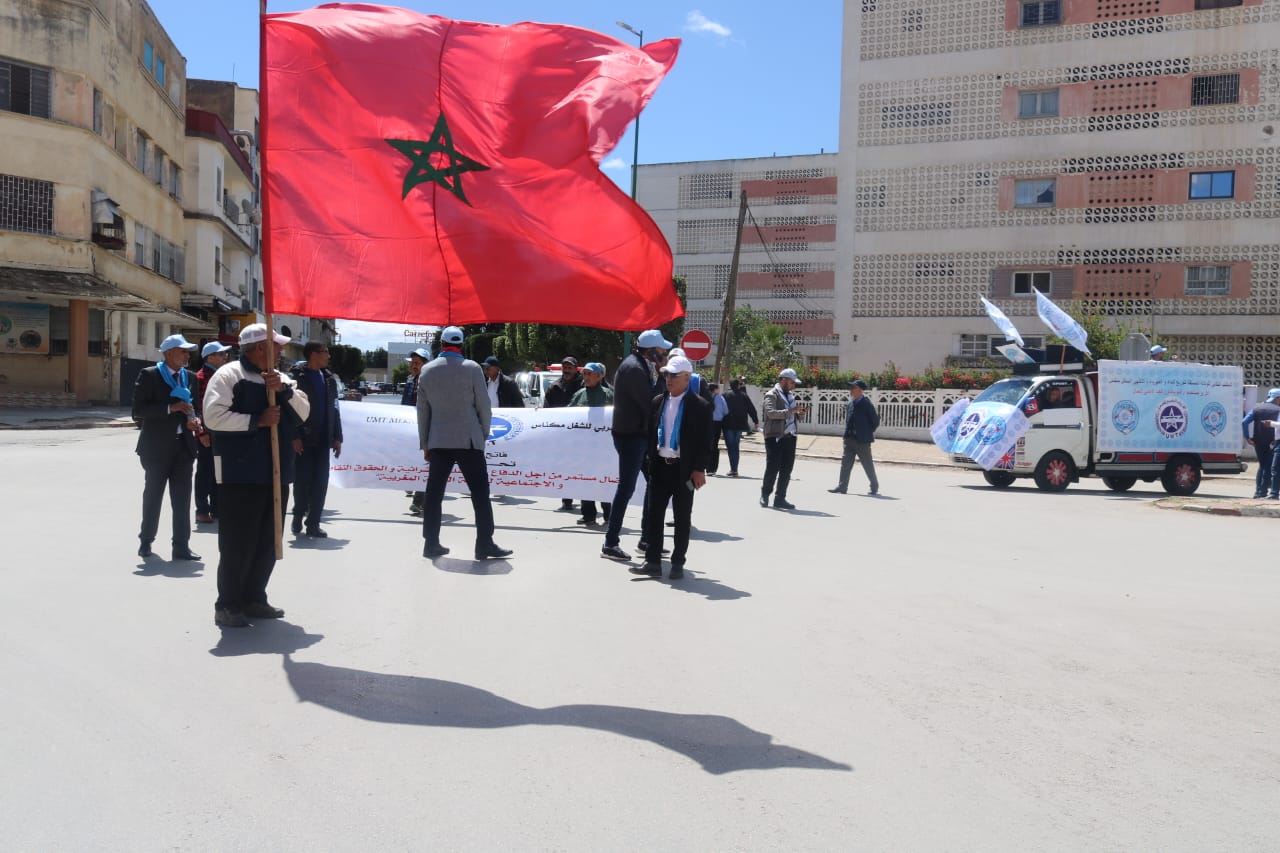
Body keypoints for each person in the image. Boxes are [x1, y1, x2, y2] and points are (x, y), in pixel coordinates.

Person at [204, 324, 310, 627]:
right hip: (240, 474)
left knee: (268, 540)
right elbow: (213, 416)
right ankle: (228, 605)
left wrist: (284, 391)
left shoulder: (283, 379)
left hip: (275, 473)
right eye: (276, 346)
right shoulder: (228, 375)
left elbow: (304, 413)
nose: (281, 351)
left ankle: (254, 598)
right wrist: (257, 420)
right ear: (260, 347)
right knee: (238, 543)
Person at [417, 325, 512, 561]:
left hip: (438, 441)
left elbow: (423, 412)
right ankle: (484, 544)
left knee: (434, 493)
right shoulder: (471, 369)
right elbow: (483, 406)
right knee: (480, 494)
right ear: (462, 345)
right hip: (469, 440)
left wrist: (425, 444)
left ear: (441, 344)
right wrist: (484, 434)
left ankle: (431, 543)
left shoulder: (427, 371)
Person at [634, 355, 713, 580]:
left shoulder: (700, 406)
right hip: (660, 466)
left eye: (674, 375)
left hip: (684, 470)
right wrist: (649, 460)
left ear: (687, 377)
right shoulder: (658, 401)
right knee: (654, 516)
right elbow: (652, 432)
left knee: (681, 518)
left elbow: (706, 442)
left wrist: (699, 468)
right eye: (667, 374)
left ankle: (678, 562)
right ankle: (652, 561)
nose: (669, 379)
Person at [601, 329, 671, 562]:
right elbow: (651, 402)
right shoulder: (633, 368)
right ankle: (611, 543)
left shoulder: (639, 365)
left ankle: (646, 538)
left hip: (636, 434)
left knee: (650, 484)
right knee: (626, 489)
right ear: (651, 351)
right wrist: (663, 377)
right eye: (661, 350)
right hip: (631, 436)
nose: (664, 353)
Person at [133, 334, 202, 560]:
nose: (187, 355)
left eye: (188, 351)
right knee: (153, 496)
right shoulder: (150, 375)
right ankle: (146, 541)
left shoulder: (190, 377)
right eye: (183, 351)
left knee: (182, 500)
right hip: (156, 448)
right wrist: (170, 409)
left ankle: (181, 546)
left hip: (184, 447)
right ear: (169, 353)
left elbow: (195, 408)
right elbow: (138, 411)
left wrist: (196, 420)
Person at [289, 342, 343, 538]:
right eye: (325, 352)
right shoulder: (296, 378)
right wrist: (294, 436)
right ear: (313, 354)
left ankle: (313, 523)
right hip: (303, 439)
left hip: (323, 438)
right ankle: (297, 515)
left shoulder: (329, 379)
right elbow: (290, 410)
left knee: (320, 482)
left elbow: (335, 409)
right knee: (302, 481)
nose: (328, 356)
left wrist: (337, 437)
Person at [569, 362, 614, 527]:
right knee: (585, 480)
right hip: (584, 447)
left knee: (604, 481)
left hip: (603, 447)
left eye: (590, 374)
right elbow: (567, 415)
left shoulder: (609, 395)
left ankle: (609, 515)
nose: (586, 377)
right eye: (585, 374)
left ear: (600, 376)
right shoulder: (579, 395)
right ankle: (588, 514)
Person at [193, 340, 232, 524]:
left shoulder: (220, 375)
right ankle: (202, 510)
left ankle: (217, 508)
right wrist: (202, 433)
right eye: (221, 354)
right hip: (208, 434)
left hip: (221, 432)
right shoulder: (201, 377)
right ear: (210, 357)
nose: (225, 357)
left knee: (218, 472)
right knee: (205, 472)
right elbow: (198, 408)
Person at [760, 367, 807, 510]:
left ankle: (780, 498)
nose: (793, 385)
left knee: (787, 469)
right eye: (792, 382)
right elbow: (771, 413)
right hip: (775, 436)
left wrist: (799, 413)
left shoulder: (790, 396)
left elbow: (791, 415)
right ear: (783, 380)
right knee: (773, 468)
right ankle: (765, 494)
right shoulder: (771, 395)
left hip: (790, 437)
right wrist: (791, 411)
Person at [544, 356, 584, 511]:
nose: (567, 370)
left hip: (581, 433)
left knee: (582, 468)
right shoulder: (554, 387)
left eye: (570, 367)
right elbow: (547, 411)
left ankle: (586, 500)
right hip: (561, 434)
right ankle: (566, 500)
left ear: (576, 369)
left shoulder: (584, 385)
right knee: (564, 468)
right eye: (565, 367)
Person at [830, 379, 881, 495]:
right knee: (845, 464)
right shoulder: (850, 404)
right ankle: (842, 487)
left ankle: (874, 486)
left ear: (859, 390)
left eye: (853, 388)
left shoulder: (866, 404)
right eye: (850, 388)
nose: (850, 390)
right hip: (849, 439)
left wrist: (866, 432)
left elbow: (875, 421)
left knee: (867, 464)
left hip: (862, 441)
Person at [402, 347, 429, 515]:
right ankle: (421, 500)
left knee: (424, 465)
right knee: (414, 463)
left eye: (417, 363)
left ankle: (419, 501)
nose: (413, 366)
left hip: (425, 429)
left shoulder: (430, 381)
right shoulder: (410, 381)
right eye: (412, 362)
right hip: (409, 428)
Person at [1243, 388, 1280, 499]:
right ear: (1277, 398)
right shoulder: (1278, 409)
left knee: (1262, 465)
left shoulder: (1257, 407)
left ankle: (1258, 492)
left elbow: (1244, 422)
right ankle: (1263, 492)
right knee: (1268, 466)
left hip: (1257, 441)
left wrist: (1247, 437)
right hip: (1273, 441)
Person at [721, 378, 759, 477]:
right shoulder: (744, 395)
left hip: (727, 424)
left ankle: (733, 469)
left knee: (730, 447)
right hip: (739, 424)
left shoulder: (725, 395)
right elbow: (751, 408)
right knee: (735, 446)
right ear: (738, 385)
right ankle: (735, 470)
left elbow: (719, 408)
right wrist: (755, 421)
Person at [706, 383, 728, 475]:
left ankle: (704, 466)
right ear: (715, 389)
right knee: (714, 445)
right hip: (717, 423)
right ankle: (712, 468)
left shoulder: (705, 397)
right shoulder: (720, 398)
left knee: (706, 444)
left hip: (707, 423)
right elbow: (726, 411)